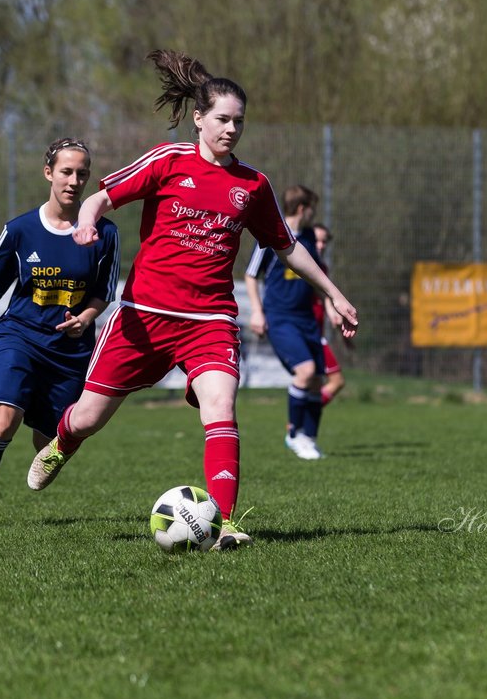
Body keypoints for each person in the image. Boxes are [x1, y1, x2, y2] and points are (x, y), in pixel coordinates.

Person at [25, 49, 359, 551]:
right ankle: (62, 442)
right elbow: (101, 196)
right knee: (89, 417)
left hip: (210, 320)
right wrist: (89, 220)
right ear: (199, 118)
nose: (230, 129)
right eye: (222, 119)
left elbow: (288, 248)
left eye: (239, 122)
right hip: (144, 315)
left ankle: (223, 523)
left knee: (221, 408)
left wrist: (334, 295)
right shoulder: (168, 161)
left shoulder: (252, 186)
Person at [0, 137, 120, 530]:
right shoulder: (20, 230)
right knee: (3, 421)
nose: (74, 181)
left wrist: (86, 318)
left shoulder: (105, 233)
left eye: (82, 173)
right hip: (19, 336)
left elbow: (103, 293)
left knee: (52, 443)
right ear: (48, 173)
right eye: (66, 172)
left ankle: (52, 439)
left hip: (69, 350)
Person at [243, 185, 337, 460]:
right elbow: (251, 275)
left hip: (307, 318)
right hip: (280, 317)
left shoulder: (308, 235)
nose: (313, 214)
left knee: (318, 381)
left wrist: (330, 304)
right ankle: (294, 433)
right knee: (305, 371)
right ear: (302, 208)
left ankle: (309, 438)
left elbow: (315, 275)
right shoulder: (271, 232)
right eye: (312, 209)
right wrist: (257, 312)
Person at [312, 223, 350, 408]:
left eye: (324, 242)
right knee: (336, 380)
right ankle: (299, 421)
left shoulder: (322, 268)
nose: (320, 245)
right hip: (307, 334)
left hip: (317, 334)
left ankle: (299, 424)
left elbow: (322, 295)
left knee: (318, 384)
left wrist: (332, 311)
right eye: (316, 240)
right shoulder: (296, 268)